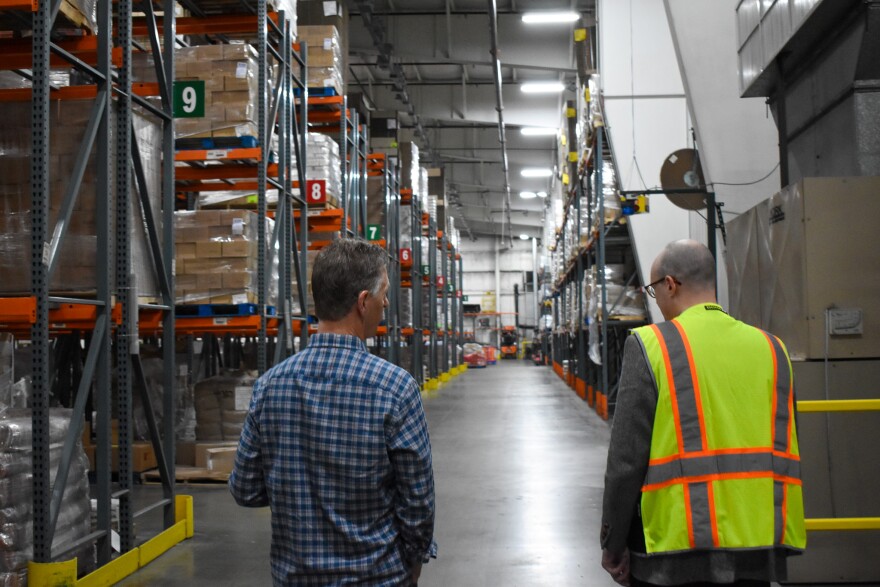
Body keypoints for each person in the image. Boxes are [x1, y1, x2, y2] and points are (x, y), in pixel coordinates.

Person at [230, 238, 437, 586]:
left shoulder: (269, 386)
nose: (386, 303)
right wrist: (414, 563)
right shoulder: (395, 387)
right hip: (379, 577)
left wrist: (298, 489)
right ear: (362, 302)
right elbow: (418, 502)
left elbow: (245, 489)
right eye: (383, 293)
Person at [600, 240, 805, 587]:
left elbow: (625, 461)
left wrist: (613, 542)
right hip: (758, 543)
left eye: (653, 290)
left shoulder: (651, 345)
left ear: (669, 284)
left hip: (676, 547)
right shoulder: (773, 348)